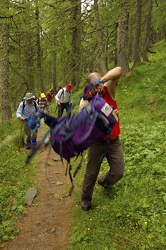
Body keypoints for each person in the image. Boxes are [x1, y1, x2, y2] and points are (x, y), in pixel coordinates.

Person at [79, 67, 125, 211]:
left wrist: (102, 81)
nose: (98, 88)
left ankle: (104, 182)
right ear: (88, 86)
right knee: (91, 172)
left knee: (119, 171)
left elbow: (119, 70)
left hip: (113, 140)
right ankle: (86, 198)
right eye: (95, 86)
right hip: (96, 142)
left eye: (100, 84)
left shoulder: (108, 88)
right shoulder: (85, 102)